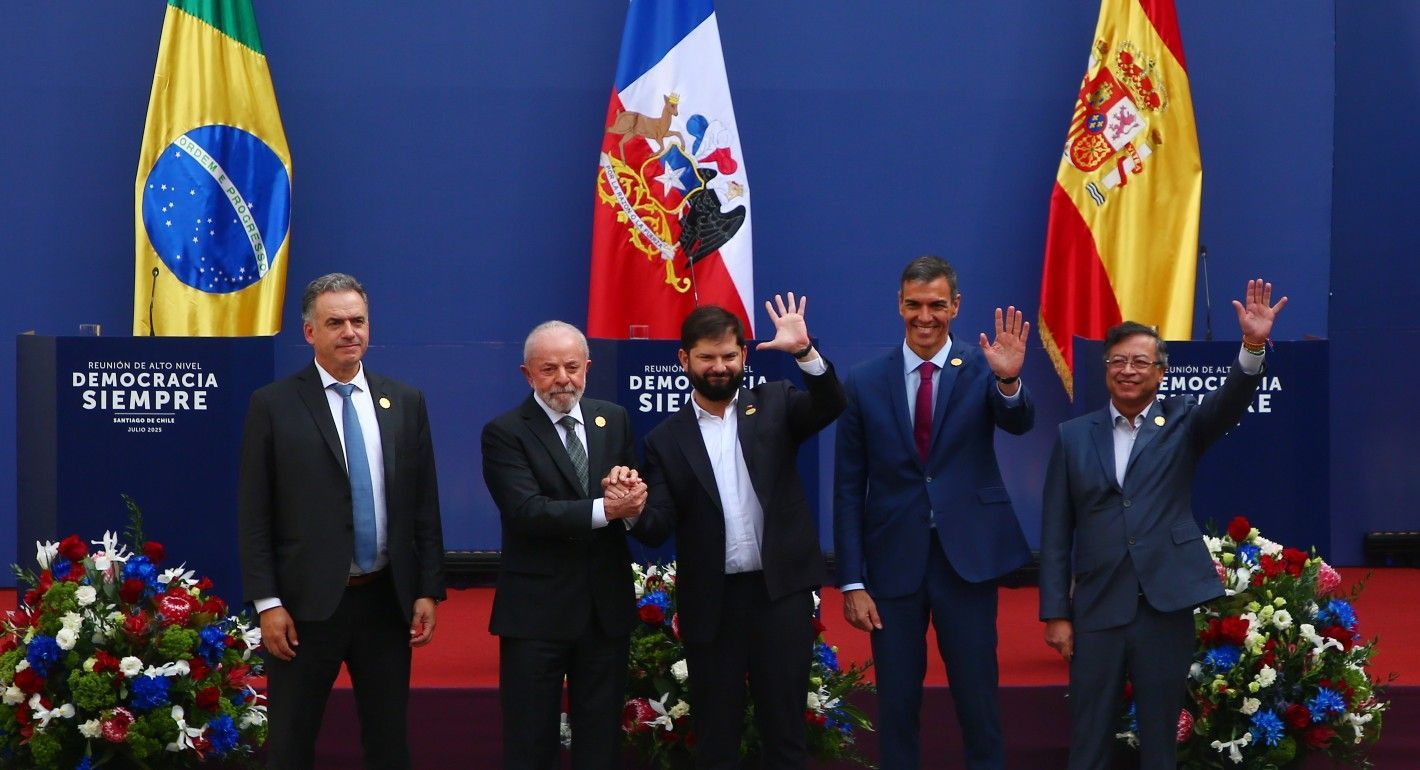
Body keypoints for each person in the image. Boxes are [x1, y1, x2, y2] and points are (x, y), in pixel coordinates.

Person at [1039, 279, 1288, 770]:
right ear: (1105, 368)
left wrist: (1253, 346)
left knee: (1159, 739)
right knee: (1089, 737)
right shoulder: (1072, 437)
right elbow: (1053, 532)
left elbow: (1231, 401)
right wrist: (1055, 613)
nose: (1128, 371)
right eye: (1118, 361)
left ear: (1161, 373)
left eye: (1140, 363)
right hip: (1097, 607)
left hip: (1163, 606)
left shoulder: (1183, 422)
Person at [238, 272, 445, 770]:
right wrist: (268, 603)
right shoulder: (273, 405)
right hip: (305, 609)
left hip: (385, 602)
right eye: (336, 323)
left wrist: (426, 589)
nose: (350, 332)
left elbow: (423, 505)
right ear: (310, 332)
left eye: (358, 321)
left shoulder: (405, 401)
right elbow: (254, 513)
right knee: (291, 742)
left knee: (388, 742)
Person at [833, 255, 1033, 770]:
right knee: (896, 705)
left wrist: (1009, 383)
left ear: (956, 306)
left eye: (937, 305)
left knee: (978, 700)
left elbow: (1018, 423)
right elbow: (849, 487)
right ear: (899, 304)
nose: (926, 316)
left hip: (965, 560)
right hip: (893, 563)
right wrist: (851, 581)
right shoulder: (864, 381)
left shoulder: (984, 366)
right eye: (915, 305)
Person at [637, 295, 845, 769]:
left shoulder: (775, 404)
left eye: (729, 356)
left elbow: (832, 402)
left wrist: (804, 352)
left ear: (744, 357)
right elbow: (657, 527)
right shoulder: (665, 439)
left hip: (780, 596)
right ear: (684, 359)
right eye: (707, 358)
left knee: (786, 732)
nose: (719, 367)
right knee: (716, 737)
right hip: (713, 603)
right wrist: (629, 510)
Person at [482, 320, 647, 770]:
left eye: (572, 367)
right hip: (536, 616)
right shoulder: (505, 432)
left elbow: (631, 494)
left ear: (588, 367)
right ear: (527, 374)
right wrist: (606, 510)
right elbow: (527, 512)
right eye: (549, 369)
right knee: (531, 742)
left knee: (600, 743)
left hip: (603, 612)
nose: (563, 379)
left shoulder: (612, 418)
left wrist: (631, 500)